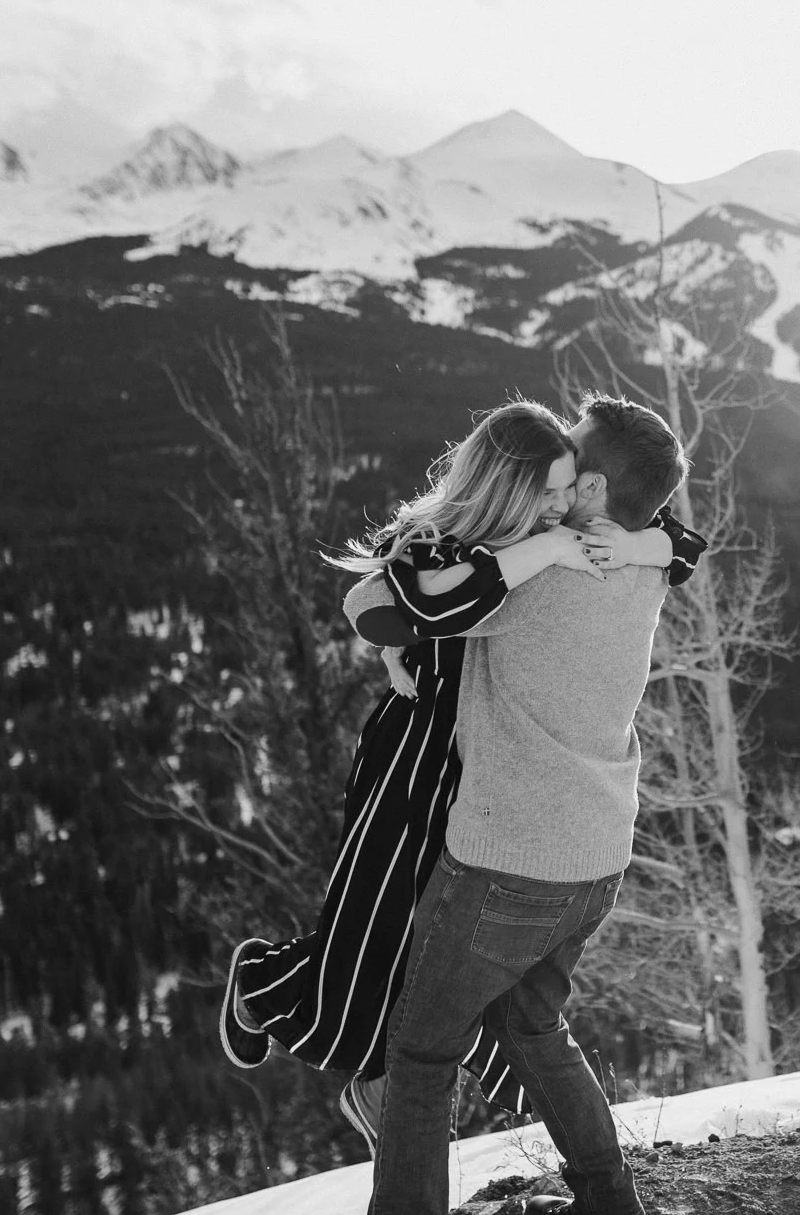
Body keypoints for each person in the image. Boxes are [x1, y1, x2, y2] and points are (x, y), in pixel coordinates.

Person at [217, 400, 704, 1129]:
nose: (563, 495)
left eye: (571, 476)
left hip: (486, 766)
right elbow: (376, 606)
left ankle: (423, 1100)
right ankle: (265, 990)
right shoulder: (457, 541)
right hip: (415, 754)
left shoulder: (584, 535)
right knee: (377, 939)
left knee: (448, 954)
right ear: (511, 482)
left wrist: (645, 546)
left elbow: (681, 540)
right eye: (552, 481)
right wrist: (534, 557)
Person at [359, 393, 693, 1215]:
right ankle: (612, 1213)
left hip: (506, 860)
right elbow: (676, 536)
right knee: (533, 1025)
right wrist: (655, 540)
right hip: (597, 856)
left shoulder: (532, 574)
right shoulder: (644, 563)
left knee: (421, 1050)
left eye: (568, 463)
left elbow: (382, 603)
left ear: (593, 488)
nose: (553, 474)